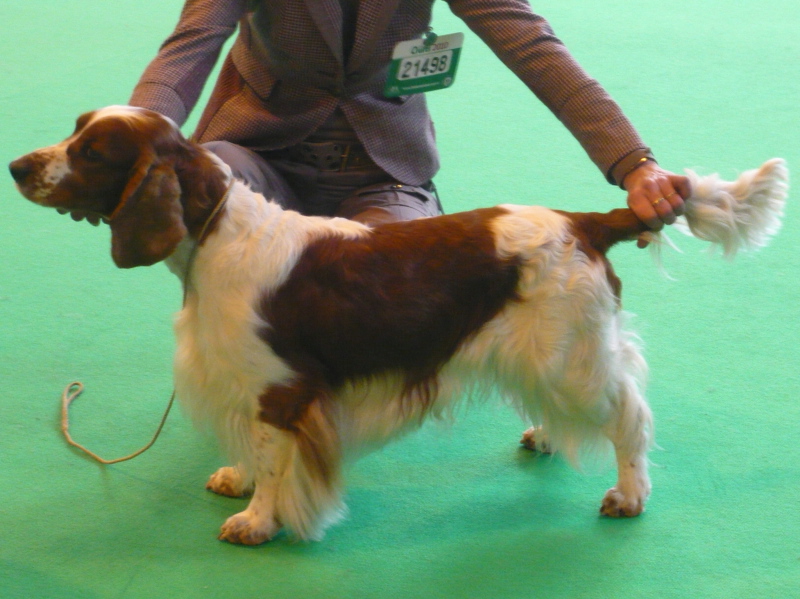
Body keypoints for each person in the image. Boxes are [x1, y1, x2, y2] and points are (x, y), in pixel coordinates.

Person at [123, 0, 689, 231]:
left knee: (387, 277)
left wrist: (634, 163)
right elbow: (193, 42)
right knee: (202, 195)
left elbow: (533, 47)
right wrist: (135, 134)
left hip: (379, 169)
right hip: (258, 152)